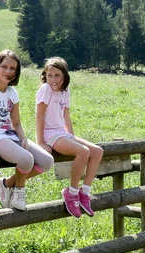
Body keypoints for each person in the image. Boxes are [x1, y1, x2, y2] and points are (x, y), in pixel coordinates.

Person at [0, 49, 53, 211]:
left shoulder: (12, 92)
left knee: (47, 161)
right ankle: (19, 192)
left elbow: (16, 122)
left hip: (10, 135)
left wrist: (23, 138)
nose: (8, 71)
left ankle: (7, 184)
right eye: (4, 67)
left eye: (12, 68)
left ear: (17, 71)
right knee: (26, 159)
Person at [35, 57, 104, 217]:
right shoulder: (45, 89)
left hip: (61, 133)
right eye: (49, 75)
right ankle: (71, 192)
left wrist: (72, 137)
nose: (52, 79)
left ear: (64, 76)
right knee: (83, 152)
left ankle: (84, 192)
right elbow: (39, 117)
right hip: (50, 134)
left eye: (57, 75)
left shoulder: (65, 91)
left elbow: (66, 117)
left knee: (97, 151)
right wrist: (40, 142)